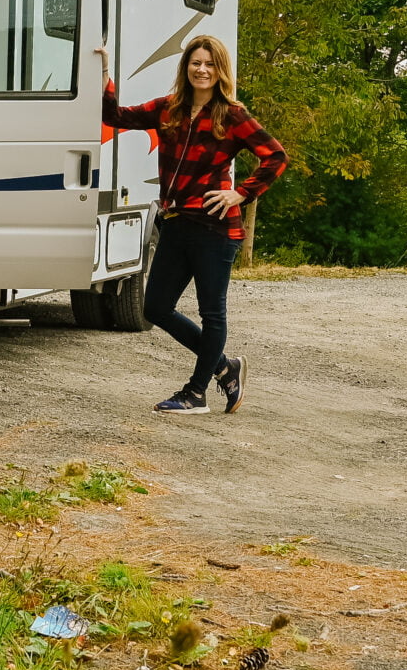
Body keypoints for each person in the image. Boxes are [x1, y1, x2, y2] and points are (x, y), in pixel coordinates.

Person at [96, 35, 286, 415]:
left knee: (212, 313)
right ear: (186, 67)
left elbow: (275, 157)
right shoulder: (169, 109)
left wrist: (240, 194)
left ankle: (196, 393)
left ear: (220, 71)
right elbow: (115, 117)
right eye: (196, 62)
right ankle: (223, 367)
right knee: (155, 308)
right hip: (176, 223)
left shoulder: (233, 115)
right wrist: (103, 72)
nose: (202, 69)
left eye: (210, 64)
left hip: (216, 228)